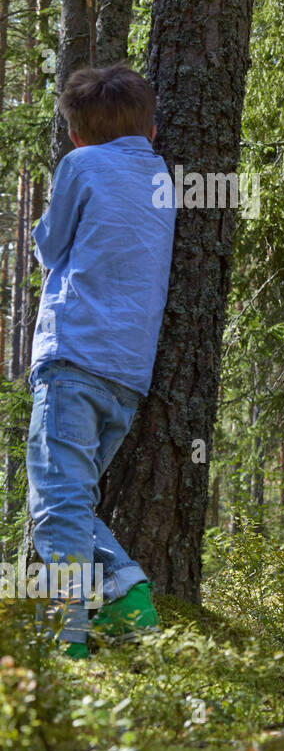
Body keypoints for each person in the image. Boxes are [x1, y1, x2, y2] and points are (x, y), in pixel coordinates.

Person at [26, 65, 176, 657]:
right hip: (127, 375)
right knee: (72, 503)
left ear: (76, 135)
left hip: (71, 356)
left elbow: (48, 245)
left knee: (57, 508)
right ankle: (123, 606)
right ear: (152, 130)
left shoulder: (80, 166)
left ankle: (75, 638)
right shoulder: (161, 176)